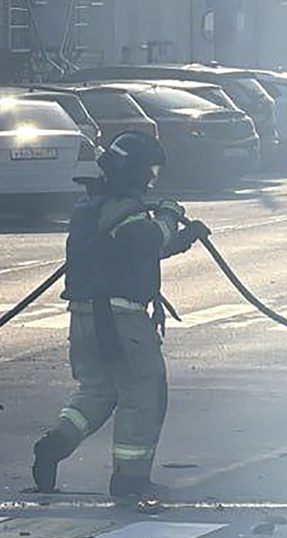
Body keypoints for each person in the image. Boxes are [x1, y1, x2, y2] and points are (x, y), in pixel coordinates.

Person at [30, 131, 208, 498]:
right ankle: (130, 479)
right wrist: (169, 216)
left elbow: (135, 249)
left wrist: (185, 237)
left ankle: (56, 443)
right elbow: (144, 240)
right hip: (121, 319)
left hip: (86, 316)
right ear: (134, 169)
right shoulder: (121, 206)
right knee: (143, 395)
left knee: (98, 391)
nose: (152, 178)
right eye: (150, 171)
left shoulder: (95, 205)